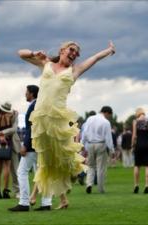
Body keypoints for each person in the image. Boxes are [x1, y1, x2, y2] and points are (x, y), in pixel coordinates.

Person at [19, 40, 115, 209]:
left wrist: (108, 51)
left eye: (77, 53)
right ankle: (59, 198)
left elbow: (94, 58)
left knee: (62, 160)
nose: (74, 54)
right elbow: (21, 54)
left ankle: (68, 179)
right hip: (41, 122)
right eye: (72, 50)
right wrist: (35, 53)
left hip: (57, 121)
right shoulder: (46, 63)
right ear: (62, 50)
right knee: (47, 161)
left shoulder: (74, 71)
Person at [9, 85, 53, 212]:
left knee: (21, 172)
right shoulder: (42, 105)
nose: (25, 94)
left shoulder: (34, 106)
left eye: (26, 92)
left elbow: (32, 127)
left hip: (34, 145)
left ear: (32, 94)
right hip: (43, 145)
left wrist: (26, 145)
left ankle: (24, 203)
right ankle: (46, 203)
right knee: (42, 174)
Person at [0, 102, 20, 199]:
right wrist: (0, 135)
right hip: (0, 143)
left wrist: (0, 134)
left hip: (11, 143)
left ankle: (17, 191)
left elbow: (14, 129)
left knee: (14, 169)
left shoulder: (14, 114)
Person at [82, 106, 115, 194]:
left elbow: (84, 133)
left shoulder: (90, 119)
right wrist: (112, 150)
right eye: (110, 115)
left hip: (89, 144)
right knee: (101, 167)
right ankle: (101, 188)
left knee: (91, 166)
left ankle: (89, 184)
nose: (109, 117)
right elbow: (108, 138)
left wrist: (82, 144)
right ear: (107, 113)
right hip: (101, 144)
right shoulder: (106, 122)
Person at [132, 108, 148, 194]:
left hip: (139, 145)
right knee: (147, 165)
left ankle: (136, 185)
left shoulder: (135, 121)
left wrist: (132, 145)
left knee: (137, 165)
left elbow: (134, 136)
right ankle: (146, 185)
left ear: (137, 113)